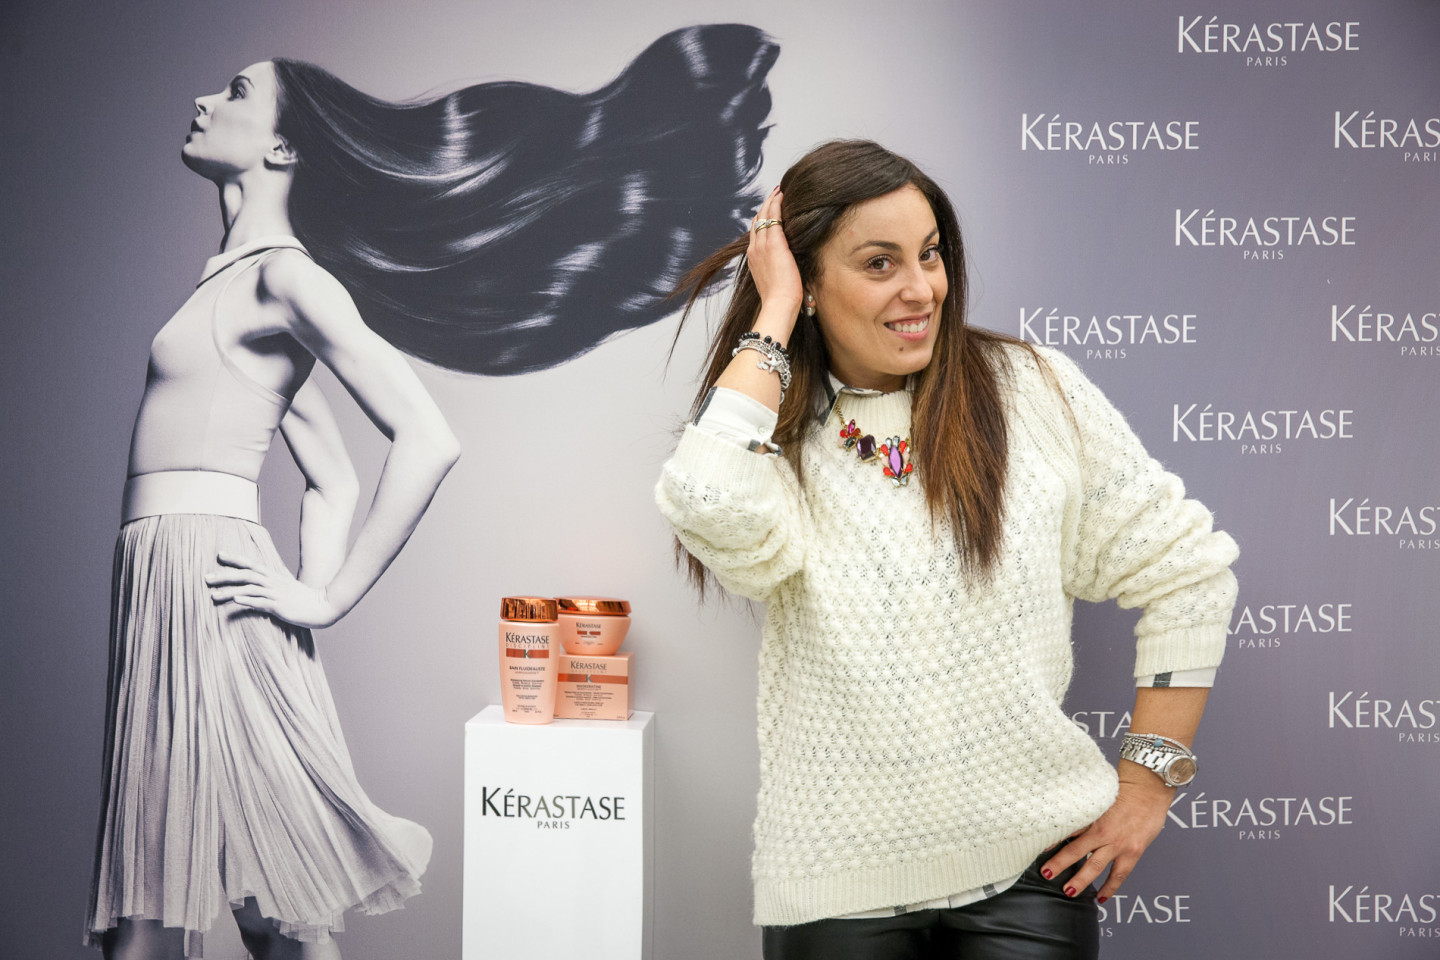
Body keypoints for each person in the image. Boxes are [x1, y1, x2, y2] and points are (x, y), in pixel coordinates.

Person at [88, 26, 777, 960]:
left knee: (202, 909)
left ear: (284, 147)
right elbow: (329, 474)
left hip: (204, 587)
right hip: (172, 582)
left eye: (237, 92)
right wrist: (303, 591)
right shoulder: (231, 283)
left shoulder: (286, 276)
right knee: (249, 905)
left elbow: (426, 436)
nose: (205, 101)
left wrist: (322, 597)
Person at [656, 140, 1239, 960]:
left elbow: (1188, 572)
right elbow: (706, 499)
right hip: (836, 886)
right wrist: (775, 309)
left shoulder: (1029, 390)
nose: (921, 287)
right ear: (811, 282)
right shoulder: (771, 435)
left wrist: (1147, 784)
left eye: (929, 254)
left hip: (1032, 879)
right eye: (879, 263)